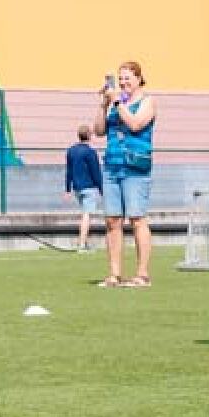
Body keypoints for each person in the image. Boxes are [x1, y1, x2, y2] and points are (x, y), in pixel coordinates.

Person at [91, 62, 156, 288]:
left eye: (127, 78)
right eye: (120, 79)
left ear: (138, 79)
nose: (123, 82)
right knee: (112, 220)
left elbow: (136, 124)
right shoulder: (115, 104)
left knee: (137, 219)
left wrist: (118, 102)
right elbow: (99, 130)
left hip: (135, 168)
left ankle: (142, 274)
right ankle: (114, 274)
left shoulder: (147, 101)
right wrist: (104, 105)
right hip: (112, 166)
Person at [63, 124, 103, 253]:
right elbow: (96, 172)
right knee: (87, 215)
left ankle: (84, 243)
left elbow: (68, 171)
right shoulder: (90, 152)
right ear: (89, 136)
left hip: (77, 188)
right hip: (89, 187)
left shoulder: (71, 151)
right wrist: (102, 189)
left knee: (85, 213)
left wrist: (68, 189)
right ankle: (81, 245)